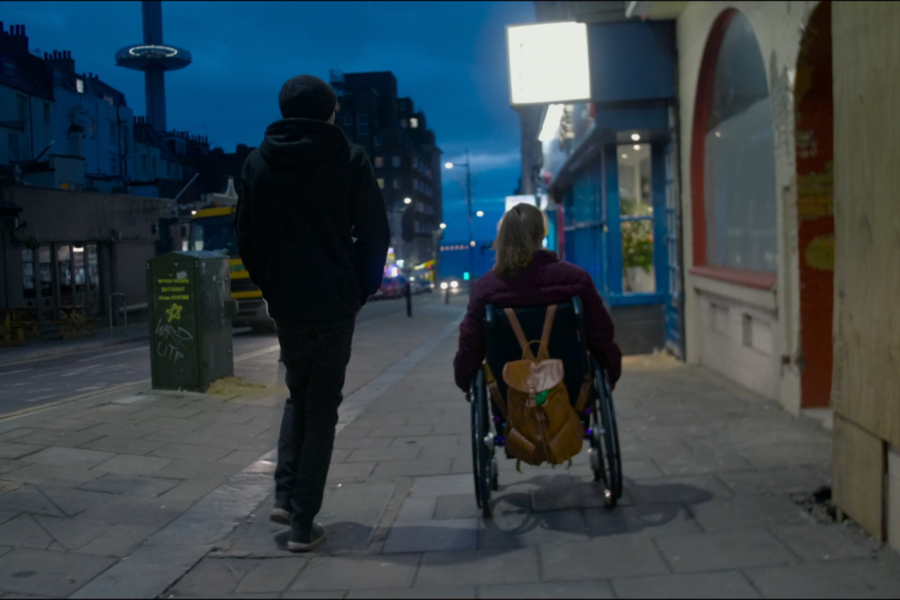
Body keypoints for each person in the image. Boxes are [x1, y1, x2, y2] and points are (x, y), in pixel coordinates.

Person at [235, 74, 390, 552]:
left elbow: (247, 238)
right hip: (334, 301)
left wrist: (271, 287)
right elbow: (374, 233)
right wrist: (360, 288)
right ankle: (303, 522)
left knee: (299, 396)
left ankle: (285, 495)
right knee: (322, 407)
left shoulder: (258, 163)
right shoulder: (349, 158)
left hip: (288, 304)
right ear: (328, 111)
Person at [453, 202, 622, 395]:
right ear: (542, 234)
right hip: (571, 388)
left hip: (510, 392)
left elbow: (470, 343)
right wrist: (611, 372)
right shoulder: (576, 279)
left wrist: (464, 381)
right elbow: (600, 333)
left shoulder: (487, 288)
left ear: (503, 237)